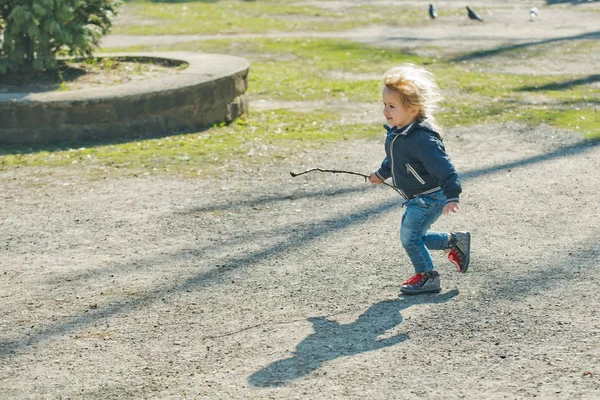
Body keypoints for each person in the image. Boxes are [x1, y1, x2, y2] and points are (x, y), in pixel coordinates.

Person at [368, 64, 471, 295]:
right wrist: (381, 174)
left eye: (392, 106)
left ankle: (427, 276)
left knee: (409, 238)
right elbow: (394, 160)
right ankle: (454, 241)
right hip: (418, 197)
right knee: (416, 236)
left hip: (431, 196)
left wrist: (452, 195)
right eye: (384, 104)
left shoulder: (422, 138)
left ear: (412, 109)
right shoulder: (399, 132)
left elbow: (444, 167)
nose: (386, 110)